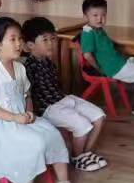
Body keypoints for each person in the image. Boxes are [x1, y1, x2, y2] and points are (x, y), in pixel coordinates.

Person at [0, 17, 74, 183]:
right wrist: (14, 118)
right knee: (35, 142)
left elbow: (27, 95)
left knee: (53, 133)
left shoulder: (20, 67)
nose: (19, 43)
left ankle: (63, 182)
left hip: (21, 118)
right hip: (0, 126)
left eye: (20, 38)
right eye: (12, 39)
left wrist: (29, 112)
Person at [22, 16, 107, 172]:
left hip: (62, 99)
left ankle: (85, 153)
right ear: (30, 45)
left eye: (53, 39)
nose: (51, 43)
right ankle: (76, 157)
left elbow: (57, 86)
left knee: (99, 117)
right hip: (48, 108)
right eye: (45, 40)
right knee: (83, 125)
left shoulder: (48, 62)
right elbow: (27, 95)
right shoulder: (28, 67)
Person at [79, 0, 134, 118]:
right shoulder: (88, 33)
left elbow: (105, 45)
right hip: (113, 68)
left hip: (120, 62)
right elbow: (87, 55)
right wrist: (98, 69)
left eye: (103, 15)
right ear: (86, 16)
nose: (100, 19)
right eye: (95, 15)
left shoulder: (98, 29)